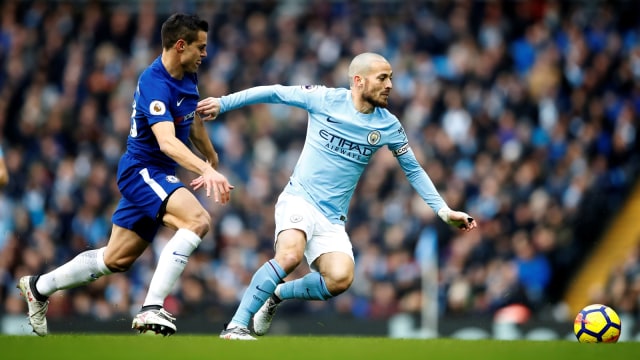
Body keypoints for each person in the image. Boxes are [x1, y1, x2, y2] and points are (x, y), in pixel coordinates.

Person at [196, 52, 477, 340]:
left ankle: (275, 294)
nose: (390, 84)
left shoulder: (389, 125)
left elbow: (414, 170)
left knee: (340, 279)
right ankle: (236, 326)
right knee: (290, 256)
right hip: (299, 198)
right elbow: (274, 92)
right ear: (358, 81)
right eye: (382, 78)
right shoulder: (324, 98)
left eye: (391, 77)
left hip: (332, 218)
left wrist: (444, 211)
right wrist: (223, 102)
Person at [17, 13, 233, 337]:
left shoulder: (187, 75)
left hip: (154, 174)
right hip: (142, 171)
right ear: (180, 45)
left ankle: (39, 286)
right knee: (198, 220)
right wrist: (204, 169)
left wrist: (211, 157)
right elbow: (167, 141)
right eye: (200, 47)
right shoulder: (154, 82)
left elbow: (192, 120)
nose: (205, 54)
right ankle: (152, 307)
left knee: (116, 259)